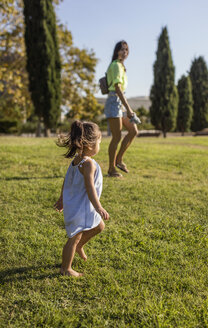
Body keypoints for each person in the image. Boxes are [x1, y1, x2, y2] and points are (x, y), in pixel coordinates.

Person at [54, 120, 109, 277]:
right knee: (74, 237)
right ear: (89, 145)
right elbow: (90, 188)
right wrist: (99, 207)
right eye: (99, 142)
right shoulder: (88, 164)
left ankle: (79, 246)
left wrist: (61, 198)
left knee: (99, 226)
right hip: (81, 207)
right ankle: (66, 269)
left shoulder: (77, 160)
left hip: (80, 204)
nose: (99, 146)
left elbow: (67, 180)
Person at [104, 40, 139, 178]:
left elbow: (121, 90)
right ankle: (111, 169)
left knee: (133, 130)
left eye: (126, 50)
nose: (124, 52)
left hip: (119, 100)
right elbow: (117, 88)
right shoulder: (116, 65)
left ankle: (119, 159)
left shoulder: (121, 66)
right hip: (114, 101)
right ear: (116, 51)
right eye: (122, 49)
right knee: (117, 136)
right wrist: (129, 109)